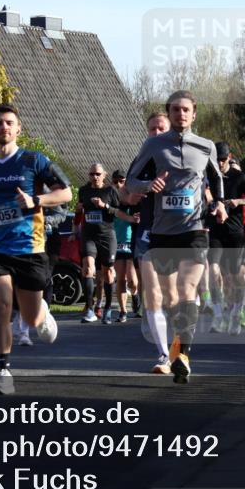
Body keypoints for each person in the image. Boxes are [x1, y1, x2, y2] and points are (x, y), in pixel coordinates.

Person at [0, 104, 70, 394]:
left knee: (33, 318)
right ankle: (4, 372)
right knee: (1, 305)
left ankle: (42, 312)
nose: (4, 127)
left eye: (9, 122)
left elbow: (66, 192)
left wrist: (36, 200)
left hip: (30, 247)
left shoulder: (34, 161)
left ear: (18, 128)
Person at [126, 91, 226, 383]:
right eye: (175, 110)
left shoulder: (205, 146)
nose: (180, 114)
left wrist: (219, 203)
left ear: (194, 114)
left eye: (185, 110)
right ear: (168, 114)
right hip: (162, 232)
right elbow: (132, 180)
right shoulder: (153, 144)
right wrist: (148, 184)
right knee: (170, 297)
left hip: (194, 230)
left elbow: (218, 179)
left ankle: (183, 355)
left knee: (186, 290)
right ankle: (177, 350)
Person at [131, 112, 172, 373]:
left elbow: (204, 188)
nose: (156, 133)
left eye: (161, 128)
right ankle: (164, 355)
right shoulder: (142, 158)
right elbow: (127, 192)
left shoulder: (184, 157)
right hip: (148, 232)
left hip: (179, 233)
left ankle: (179, 348)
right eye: (152, 129)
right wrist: (145, 187)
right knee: (153, 293)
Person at [207, 142, 245, 335]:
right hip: (215, 231)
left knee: (233, 276)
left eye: (223, 159)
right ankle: (218, 315)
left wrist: (239, 201)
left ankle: (237, 313)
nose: (220, 163)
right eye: (217, 160)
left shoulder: (239, 177)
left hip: (234, 232)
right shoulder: (208, 175)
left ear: (229, 157)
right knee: (213, 271)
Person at [13, 188, 68, 347]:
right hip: (21, 242)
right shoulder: (15, 185)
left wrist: (45, 219)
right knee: (21, 283)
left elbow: (61, 214)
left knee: (44, 280)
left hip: (45, 243)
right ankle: (23, 329)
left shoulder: (47, 189)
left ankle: (44, 310)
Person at [77, 163, 129, 324]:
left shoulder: (110, 191)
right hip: (89, 235)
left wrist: (104, 206)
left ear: (104, 175)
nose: (95, 177)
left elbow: (118, 212)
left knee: (107, 273)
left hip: (107, 235)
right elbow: (79, 211)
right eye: (92, 174)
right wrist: (78, 210)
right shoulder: (83, 190)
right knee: (87, 269)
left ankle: (107, 308)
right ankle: (90, 308)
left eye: (98, 174)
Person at [111, 169, 141, 322]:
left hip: (131, 242)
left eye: (121, 181)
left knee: (133, 281)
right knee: (120, 279)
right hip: (117, 242)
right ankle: (123, 311)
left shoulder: (133, 200)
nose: (118, 184)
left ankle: (135, 296)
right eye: (115, 181)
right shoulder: (111, 201)